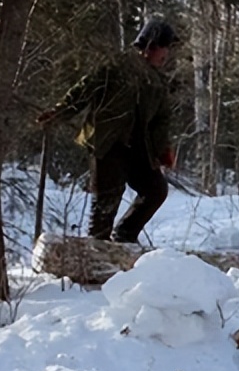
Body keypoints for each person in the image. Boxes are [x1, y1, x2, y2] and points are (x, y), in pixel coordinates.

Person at [37, 18, 178, 244]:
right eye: (165, 47)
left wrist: (163, 150)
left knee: (156, 190)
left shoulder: (158, 82)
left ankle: (124, 236)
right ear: (150, 45)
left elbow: (161, 121)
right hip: (108, 144)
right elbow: (86, 89)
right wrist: (59, 113)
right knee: (107, 201)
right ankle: (94, 254)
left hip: (139, 150)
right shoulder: (117, 65)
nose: (166, 54)